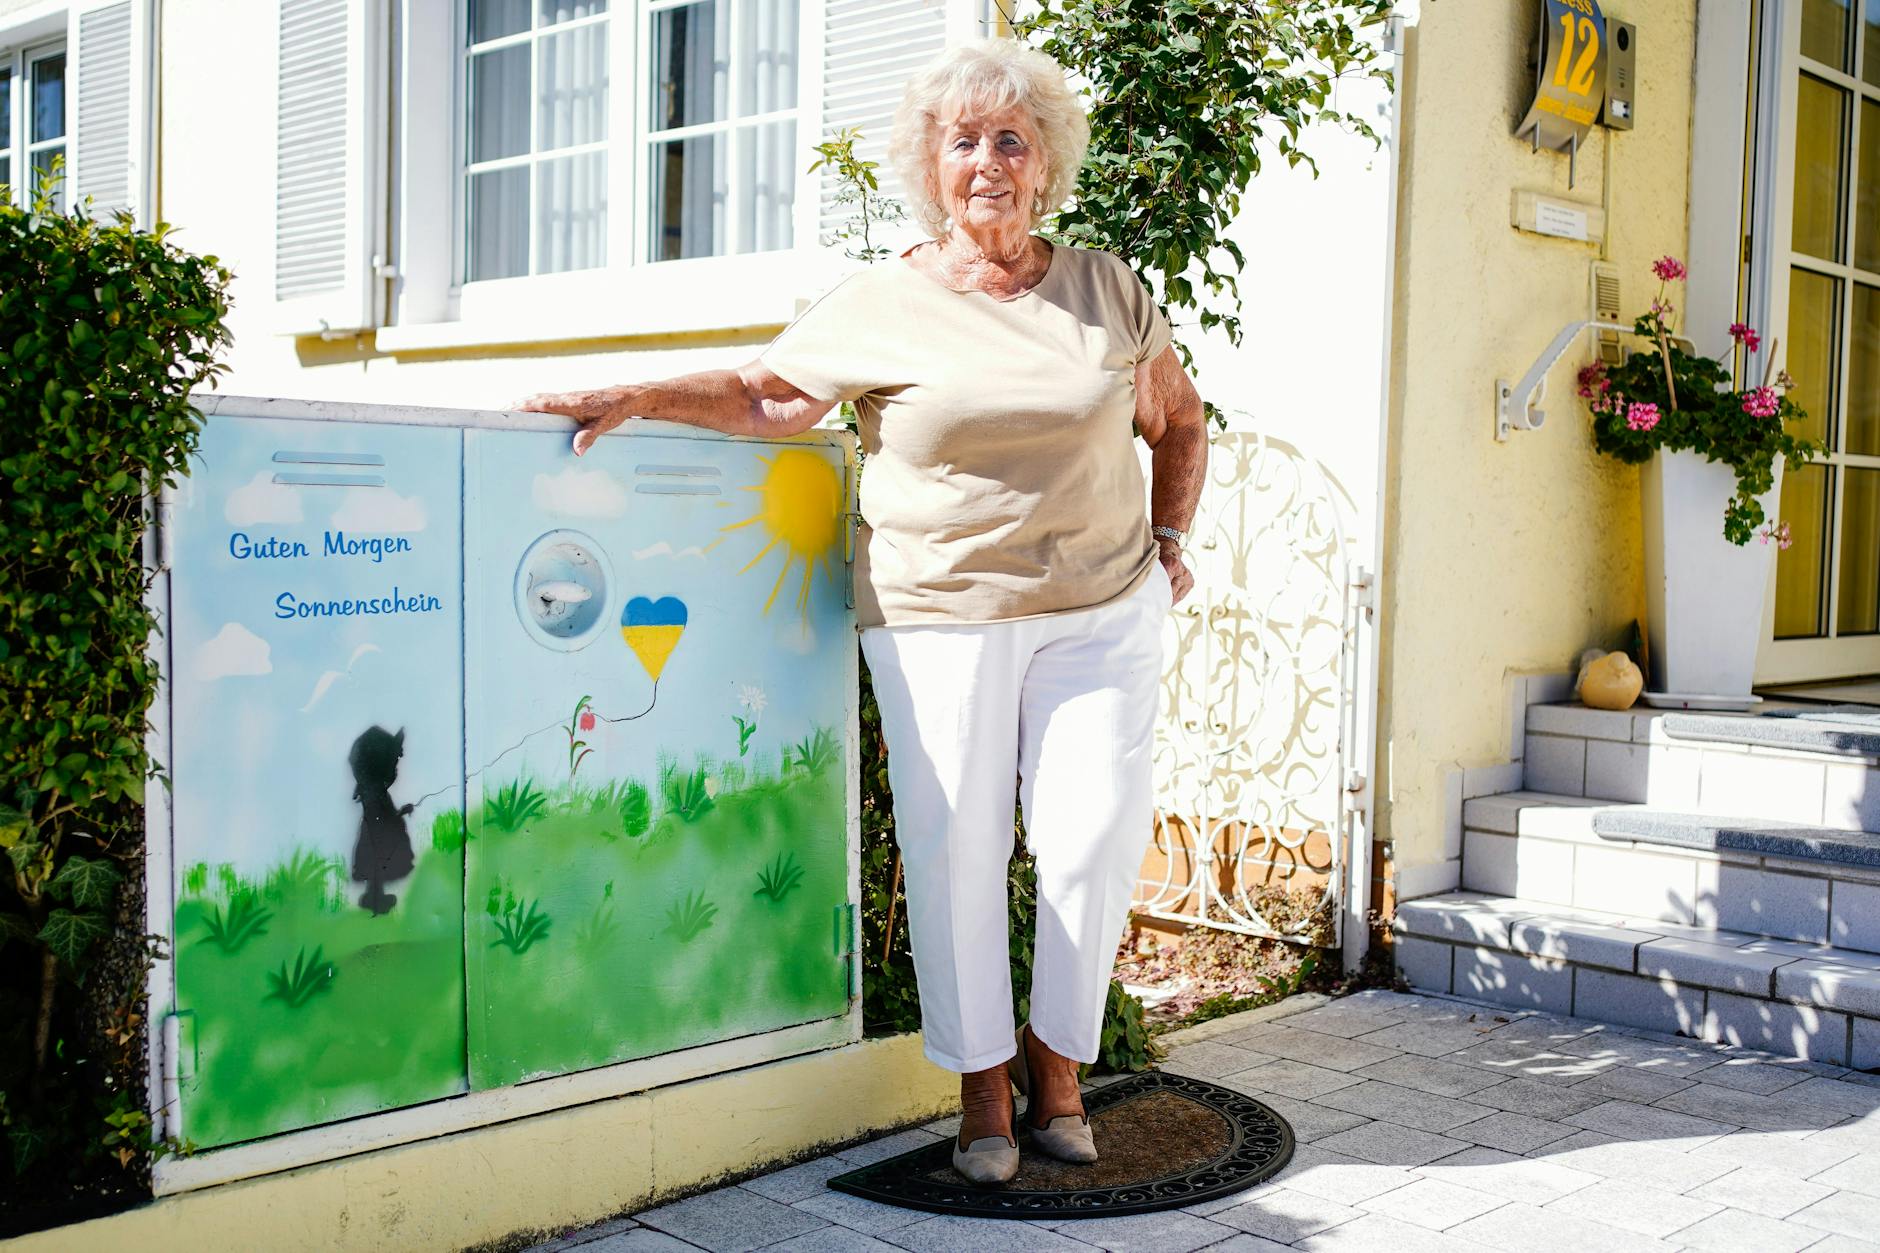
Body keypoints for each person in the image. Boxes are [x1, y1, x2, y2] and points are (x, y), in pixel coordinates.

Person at [514, 36, 1207, 1185]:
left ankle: (1059, 1068)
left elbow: (1177, 420)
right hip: (940, 616)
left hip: (1102, 614)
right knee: (954, 849)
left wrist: (1172, 539)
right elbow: (766, 395)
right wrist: (638, 391)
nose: (986, 160)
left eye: (1010, 140)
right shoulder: (884, 301)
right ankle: (983, 1089)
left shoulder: (1107, 289)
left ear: (1043, 166)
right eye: (963, 141)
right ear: (931, 167)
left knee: (1089, 843)